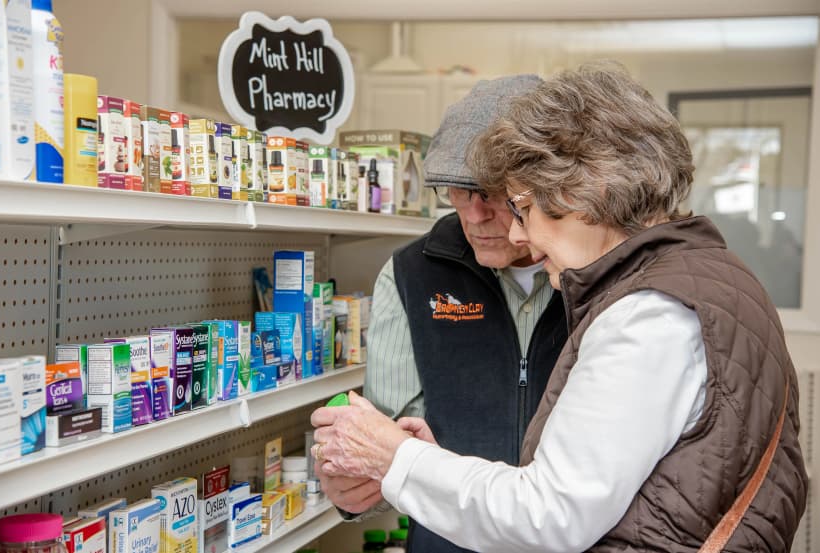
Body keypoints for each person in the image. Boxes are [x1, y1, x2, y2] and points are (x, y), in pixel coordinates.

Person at [311, 63, 808, 552]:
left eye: (519, 205)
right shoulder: (695, 273)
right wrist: (404, 462)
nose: (513, 231)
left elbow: (549, 516)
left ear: (588, 192)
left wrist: (399, 457)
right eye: (456, 195)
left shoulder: (648, 313)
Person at [319, 75, 568, 553]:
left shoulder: (596, 276)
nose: (473, 215)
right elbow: (388, 448)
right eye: (456, 191)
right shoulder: (412, 274)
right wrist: (353, 491)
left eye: (492, 193)